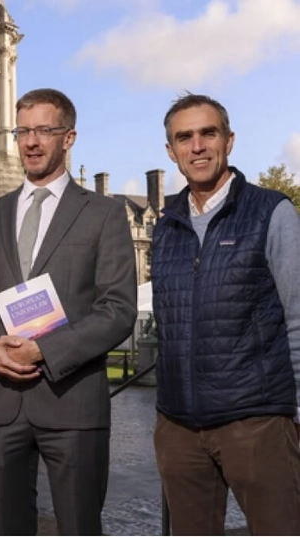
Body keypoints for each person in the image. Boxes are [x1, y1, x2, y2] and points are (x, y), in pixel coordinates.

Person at [0, 88, 137, 535]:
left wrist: (44, 351)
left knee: (79, 526)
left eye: (44, 130)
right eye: (23, 131)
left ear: (69, 137)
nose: (31, 141)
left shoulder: (103, 214)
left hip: (72, 401)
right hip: (1, 403)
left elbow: (117, 309)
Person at [151, 93, 300, 535]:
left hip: (255, 422)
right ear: (171, 151)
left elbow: (297, 317)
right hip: (179, 426)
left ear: (228, 141)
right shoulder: (164, 225)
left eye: (207, 133)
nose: (196, 146)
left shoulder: (271, 211)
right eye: (184, 137)